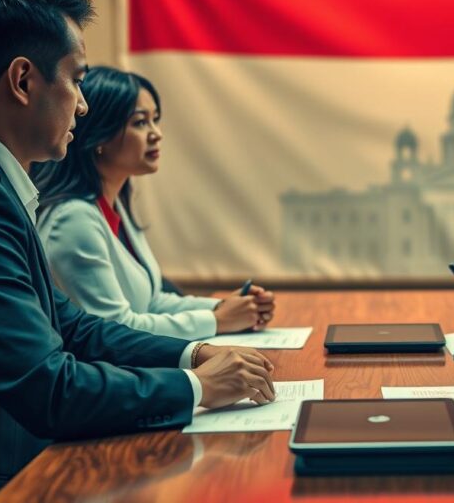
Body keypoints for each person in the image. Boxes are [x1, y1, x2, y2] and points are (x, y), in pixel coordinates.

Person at [0, 0, 276, 500]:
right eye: (77, 78)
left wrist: (191, 355)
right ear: (23, 80)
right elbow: (47, 387)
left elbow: (72, 327)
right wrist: (198, 387)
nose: (83, 103)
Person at [31, 66, 274, 339]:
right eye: (140, 122)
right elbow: (113, 329)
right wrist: (217, 320)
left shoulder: (114, 205)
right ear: (100, 135)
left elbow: (152, 302)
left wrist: (226, 307)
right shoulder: (73, 220)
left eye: (155, 120)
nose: (156, 133)